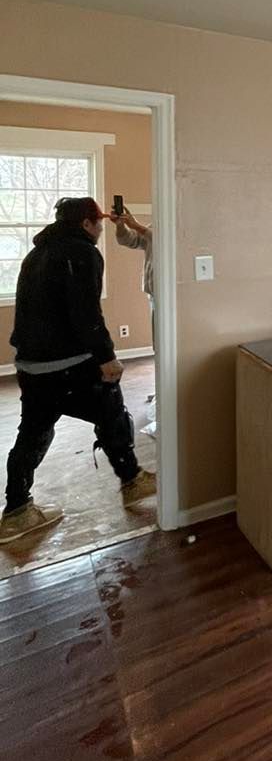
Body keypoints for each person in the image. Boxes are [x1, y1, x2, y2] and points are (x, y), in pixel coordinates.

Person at [0, 196, 155, 545]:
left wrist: (124, 224)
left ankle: (16, 511)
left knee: (34, 431)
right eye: (97, 223)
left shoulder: (36, 254)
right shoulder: (82, 253)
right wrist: (107, 357)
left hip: (30, 363)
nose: (100, 230)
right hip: (69, 364)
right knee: (113, 412)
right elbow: (86, 312)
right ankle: (132, 481)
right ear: (86, 224)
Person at [114, 208, 155, 434]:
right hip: (154, 293)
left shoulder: (173, 226)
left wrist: (137, 224)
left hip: (170, 297)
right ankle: (161, 389)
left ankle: (165, 390)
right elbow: (128, 240)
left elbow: (166, 241)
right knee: (158, 346)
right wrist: (122, 224)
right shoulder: (154, 227)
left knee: (164, 345)